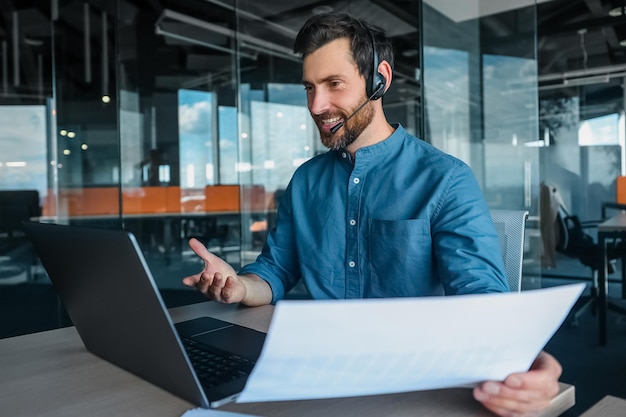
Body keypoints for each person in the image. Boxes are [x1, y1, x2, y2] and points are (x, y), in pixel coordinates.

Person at [183, 12, 563, 417]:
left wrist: (531, 361)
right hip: (319, 370)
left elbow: (484, 299)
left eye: (334, 84)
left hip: (411, 378)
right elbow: (276, 271)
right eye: (310, 87)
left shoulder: (445, 179)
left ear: (379, 78)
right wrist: (240, 285)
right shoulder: (306, 180)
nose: (317, 105)